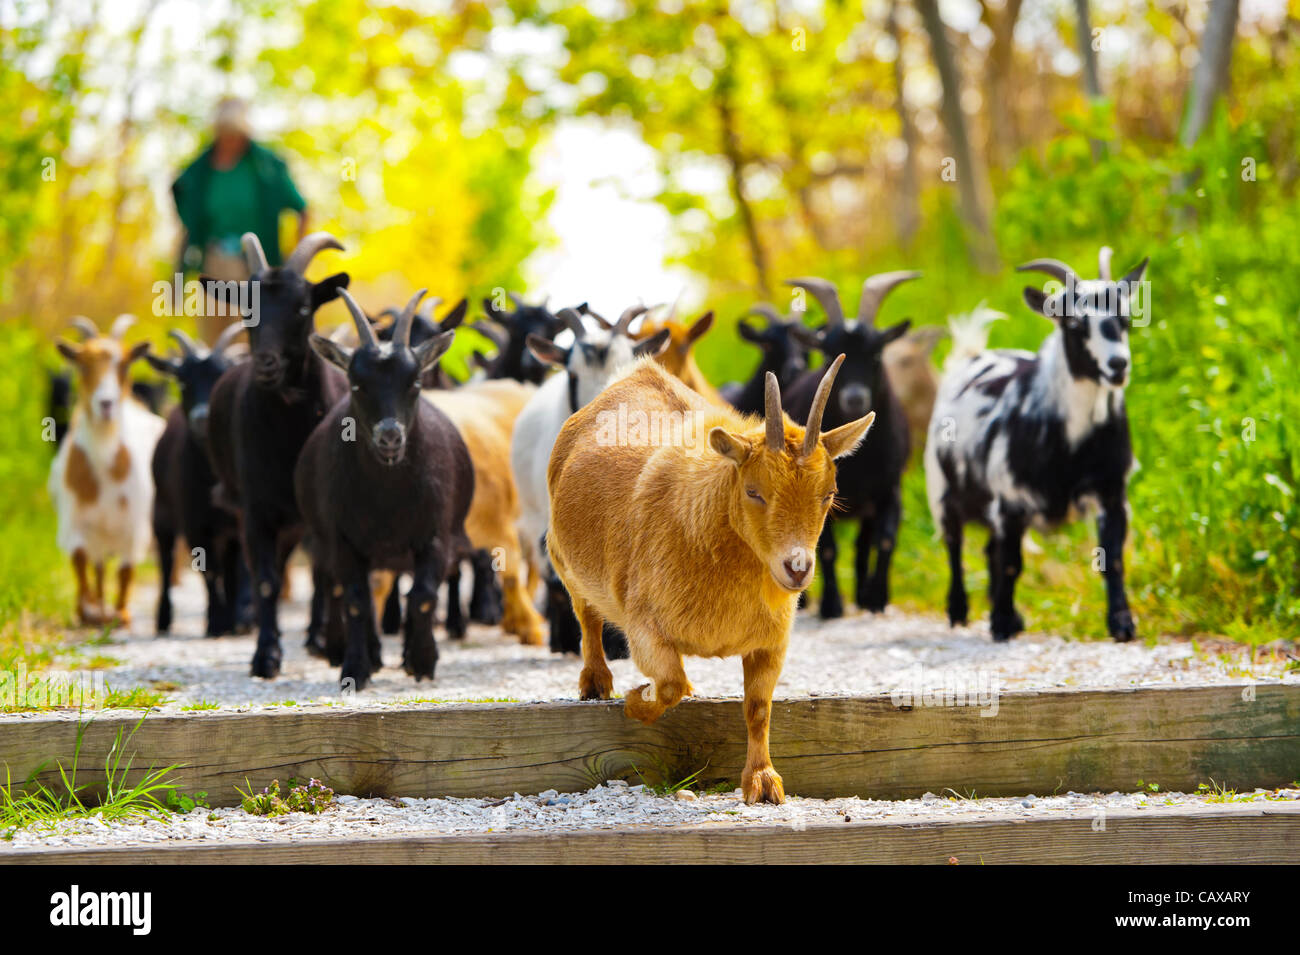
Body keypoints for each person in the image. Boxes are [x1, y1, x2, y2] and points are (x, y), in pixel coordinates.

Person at [172, 98, 310, 341]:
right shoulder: (201, 170)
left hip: (254, 266)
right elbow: (184, 205)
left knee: (247, 336)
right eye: (224, 134)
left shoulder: (265, 166)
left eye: (234, 134)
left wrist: (293, 262)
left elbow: (303, 209)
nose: (229, 141)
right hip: (213, 262)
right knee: (212, 340)